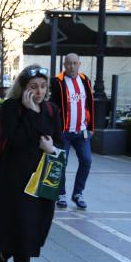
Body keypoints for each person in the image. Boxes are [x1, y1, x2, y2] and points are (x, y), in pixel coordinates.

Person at [0, 65, 63, 262]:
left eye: (43, 86)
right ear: (23, 87)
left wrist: (51, 150)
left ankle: (4, 252)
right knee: (24, 231)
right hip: (15, 180)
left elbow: (59, 143)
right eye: (34, 86)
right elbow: (18, 140)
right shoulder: (11, 108)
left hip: (42, 182)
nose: (39, 91)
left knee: (37, 230)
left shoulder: (53, 110)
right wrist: (31, 112)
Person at [50, 53, 93, 210]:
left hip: (82, 132)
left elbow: (90, 105)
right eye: (69, 63)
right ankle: (61, 194)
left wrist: (90, 127)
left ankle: (78, 193)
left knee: (87, 161)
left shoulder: (85, 80)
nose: (72, 66)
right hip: (64, 133)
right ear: (64, 65)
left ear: (79, 64)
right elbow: (53, 107)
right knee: (61, 163)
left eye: (75, 63)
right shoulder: (57, 82)